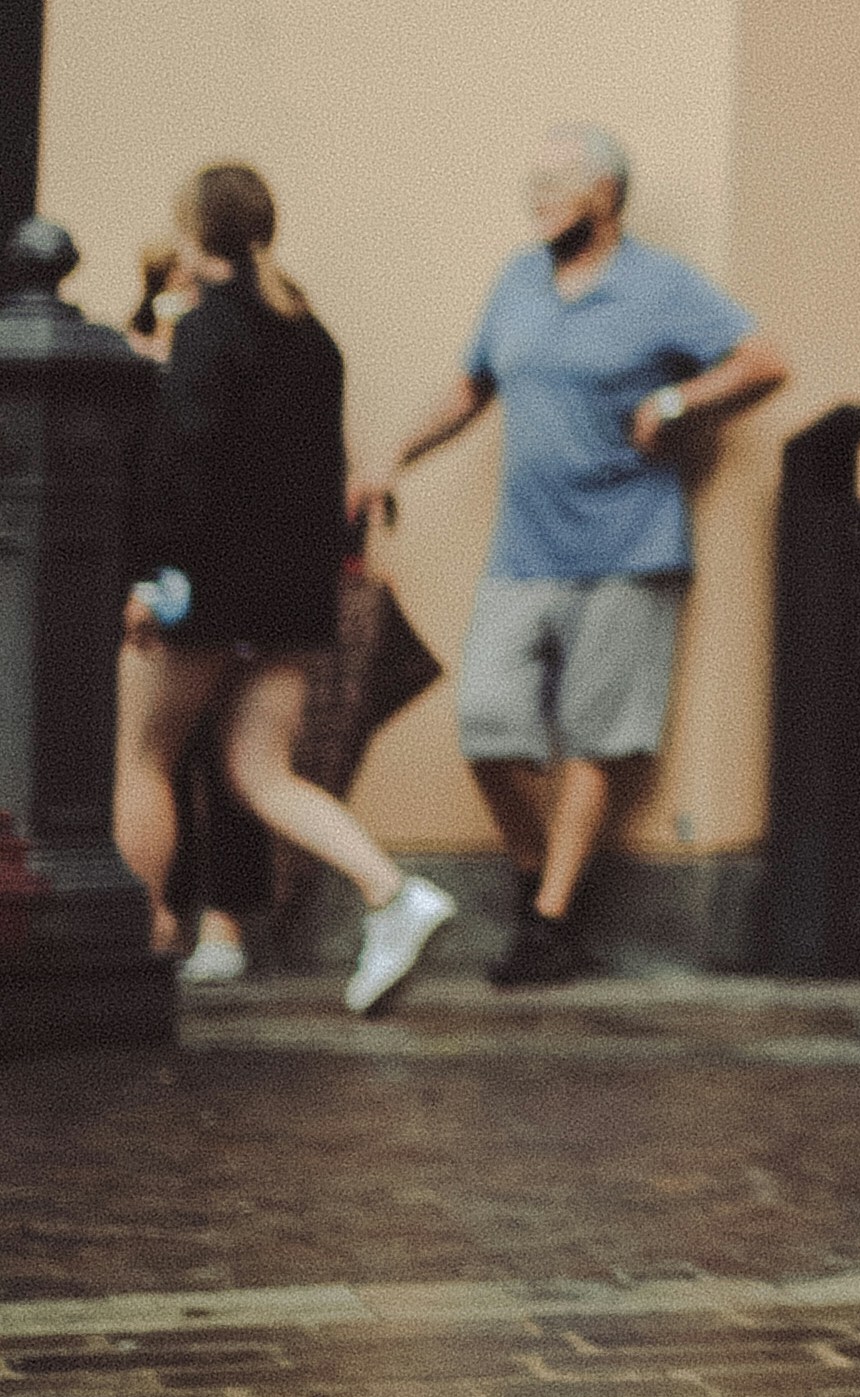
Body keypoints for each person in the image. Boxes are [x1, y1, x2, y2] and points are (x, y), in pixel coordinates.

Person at [366, 125, 786, 987]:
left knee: (597, 738)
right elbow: (472, 385)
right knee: (487, 725)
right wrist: (393, 455)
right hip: (525, 550)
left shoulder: (659, 285)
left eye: (556, 181)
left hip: (630, 548)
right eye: (534, 180)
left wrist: (678, 401)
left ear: (605, 193)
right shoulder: (518, 281)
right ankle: (538, 883)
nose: (537, 195)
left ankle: (551, 921)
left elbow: (764, 361)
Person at [115, 166, 459, 1017]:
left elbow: (182, 469)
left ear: (192, 233)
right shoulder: (315, 339)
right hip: (291, 598)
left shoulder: (206, 332)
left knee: (146, 759)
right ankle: (392, 893)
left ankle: (137, 950)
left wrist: (152, 577)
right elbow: (317, 480)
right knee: (260, 772)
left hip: (204, 588)